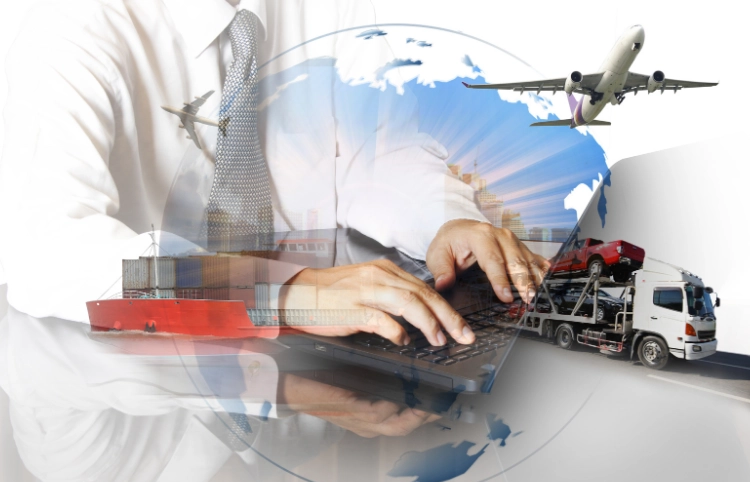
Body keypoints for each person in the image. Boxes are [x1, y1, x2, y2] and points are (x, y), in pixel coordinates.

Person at [0, 0, 547, 428]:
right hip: (135, 368)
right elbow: (41, 247)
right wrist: (280, 293)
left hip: (317, 365)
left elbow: (371, 154)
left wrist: (444, 220)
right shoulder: (70, 26)